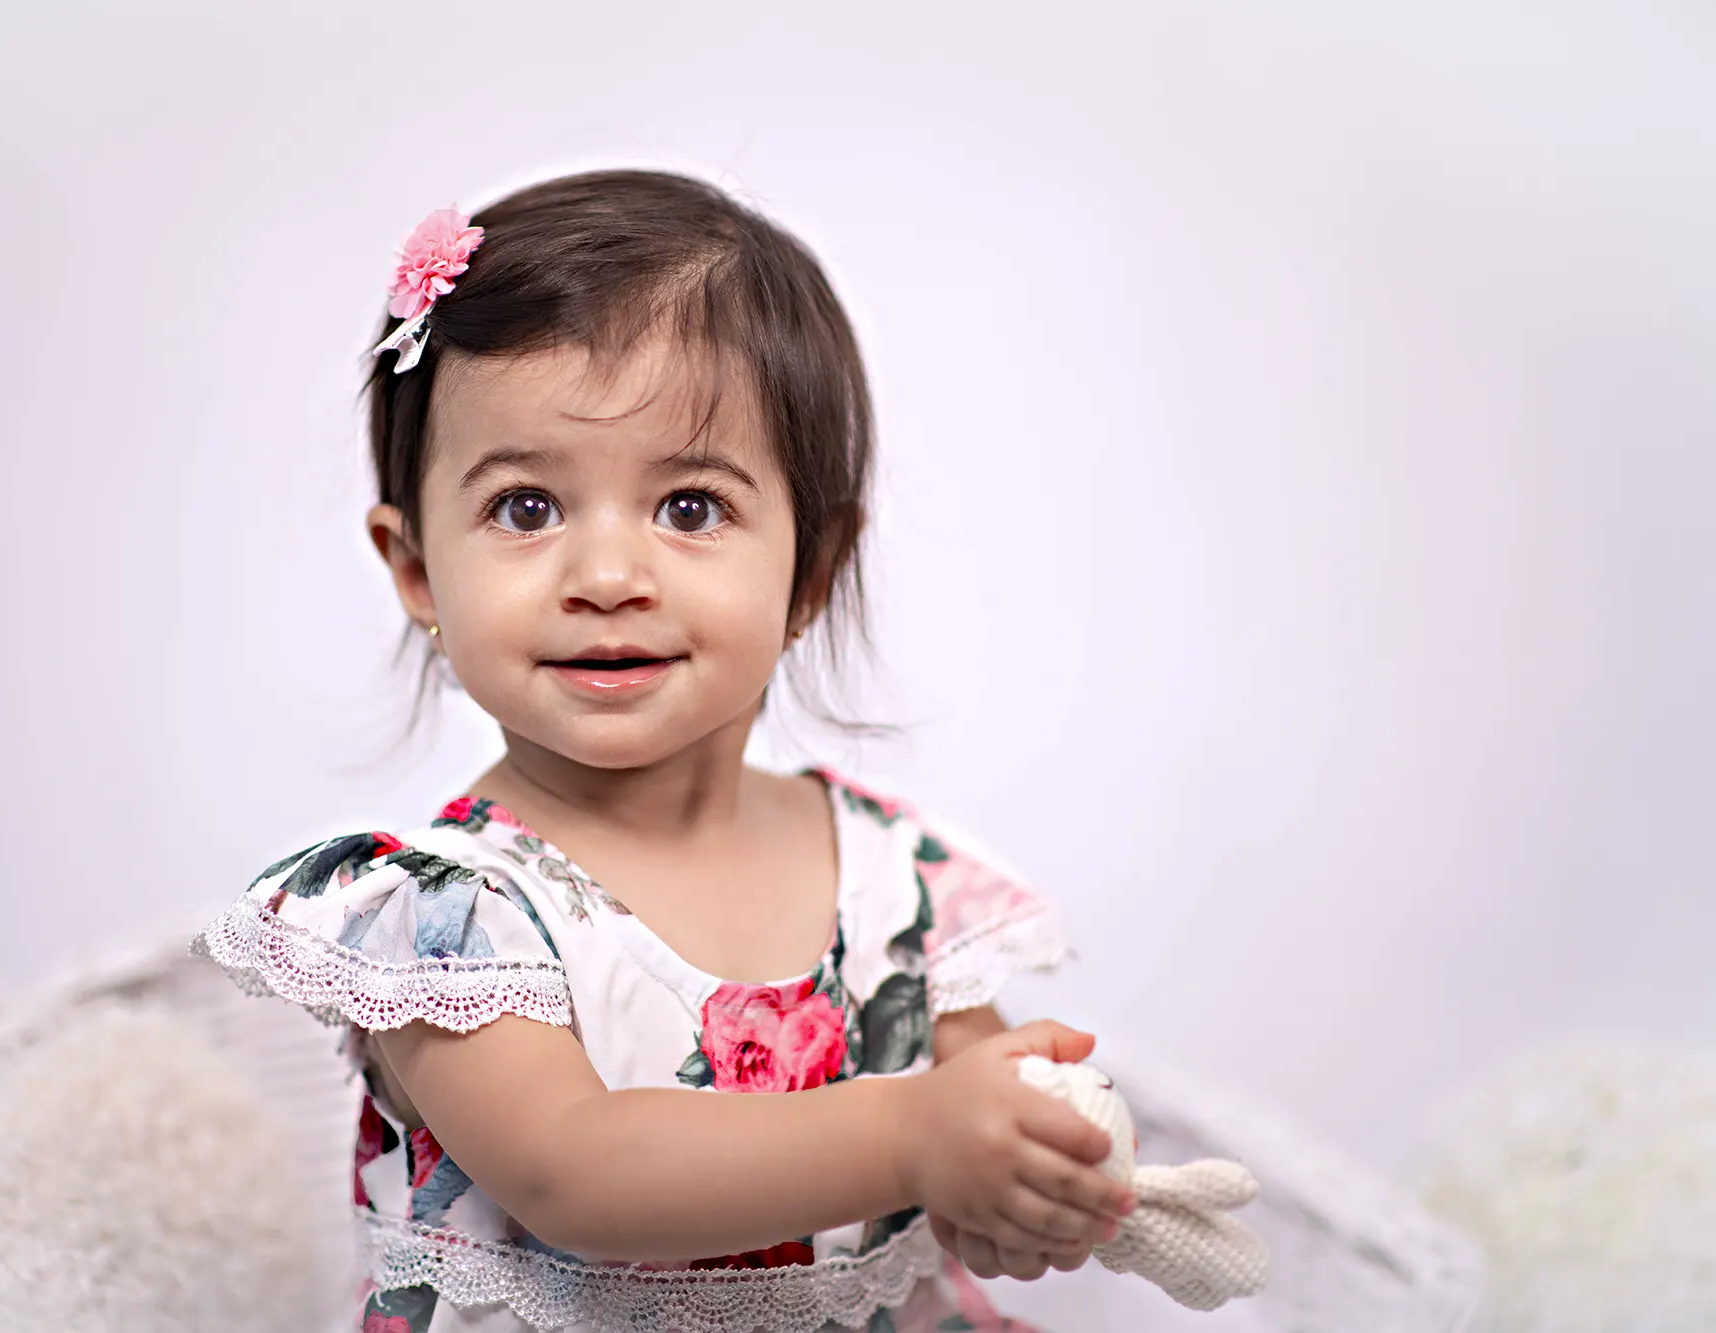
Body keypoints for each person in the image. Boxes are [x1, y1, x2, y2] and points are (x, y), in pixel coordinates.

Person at [195, 169, 1136, 1333]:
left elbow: (977, 1120)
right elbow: (577, 1171)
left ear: (811, 572)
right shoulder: (440, 921)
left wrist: (1021, 1170)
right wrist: (917, 1135)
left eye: (689, 508)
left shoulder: (898, 883)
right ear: (418, 570)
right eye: (525, 509)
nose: (605, 579)